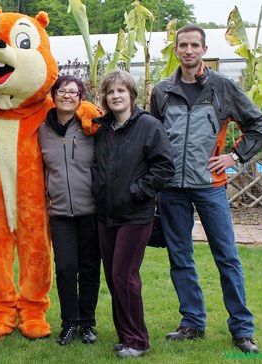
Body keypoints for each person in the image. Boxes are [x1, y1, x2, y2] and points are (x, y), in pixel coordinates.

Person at [150, 25, 262, 354]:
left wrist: (234, 155)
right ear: (176, 50)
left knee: (227, 257)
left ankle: (242, 330)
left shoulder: (223, 88)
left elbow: (258, 126)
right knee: (180, 257)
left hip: (210, 187)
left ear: (203, 49)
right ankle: (192, 323)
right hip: (172, 189)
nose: (188, 50)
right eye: (183, 45)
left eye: (194, 45)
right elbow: (153, 137)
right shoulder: (161, 91)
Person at [93, 69, 174, 358]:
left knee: (124, 275)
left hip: (135, 215)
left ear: (132, 95)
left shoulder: (148, 126)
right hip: (105, 216)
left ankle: (138, 339)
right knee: (114, 278)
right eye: (110, 92)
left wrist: (137, 192)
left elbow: (164, 167)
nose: (115, 96)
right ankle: (125, 335)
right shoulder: (103, 130)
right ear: (104, 97)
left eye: (121, 91)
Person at [38, 75, 101, 346]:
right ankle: (69, 323)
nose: (67, 96)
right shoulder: (41, 129)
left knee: (89, 269)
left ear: (81, 98)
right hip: (60, 213)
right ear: (53, 95)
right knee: (65, 268)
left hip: (91, 211)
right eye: (62, 91)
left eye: (74, 93)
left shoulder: (91, 127)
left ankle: (87, 323)